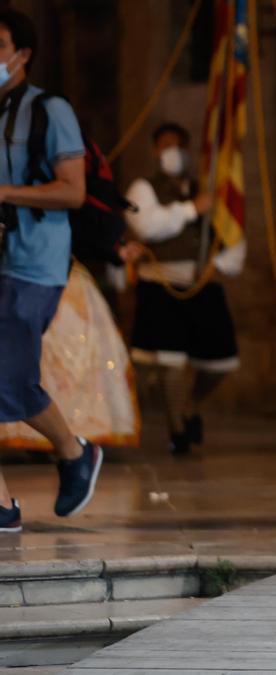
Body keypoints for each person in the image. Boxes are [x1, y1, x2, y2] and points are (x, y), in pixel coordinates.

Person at [0, 8, 104, 532]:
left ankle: (72, 450)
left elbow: (72, 190)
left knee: (10, 378)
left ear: (22, 54)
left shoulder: (50, 110)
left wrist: (3, 193)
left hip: (34, 263)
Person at [124, 121, 240, 456]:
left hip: (201, 282)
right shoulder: (143, 188)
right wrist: (191, 210)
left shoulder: (205, 188)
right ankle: (178, 429)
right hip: (161, 284)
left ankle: (190, 406)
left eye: (178, 144)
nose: (172, 151)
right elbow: (148, 226)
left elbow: (231, 234)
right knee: (168, 359)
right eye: (165, 144)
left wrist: (221, 263)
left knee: (221, 359)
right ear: (154, 150)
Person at [0, 262, 140, 451]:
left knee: (33, 374)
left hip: (42, 280)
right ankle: (70, 448)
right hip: (34, 280)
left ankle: (71, 448)